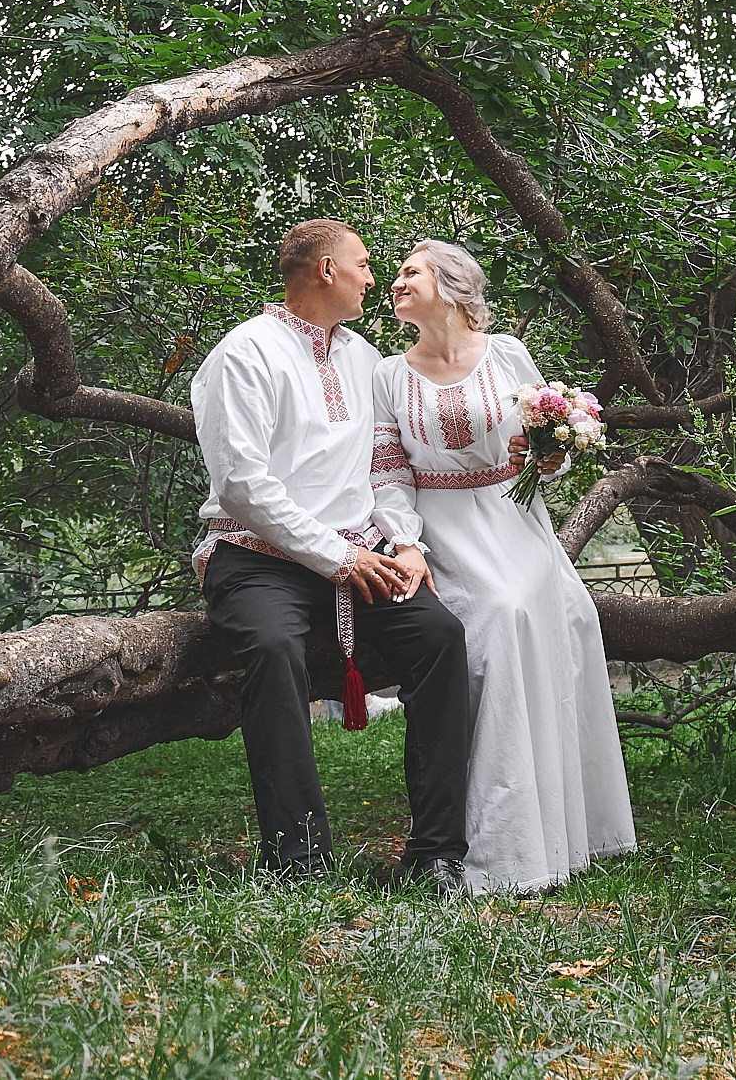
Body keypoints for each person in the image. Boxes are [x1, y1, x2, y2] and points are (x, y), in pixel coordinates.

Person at [189, 218, 476, 887]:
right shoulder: (243, 353)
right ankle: (301, 860)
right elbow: (242, 483)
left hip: (361, 554)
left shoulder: (365, 358)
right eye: (364, 264)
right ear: (326, 270)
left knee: (440, 635)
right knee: (269, 646)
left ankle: (436, 855)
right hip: (257, 556)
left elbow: (384, 466)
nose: (373, 278)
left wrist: (404, 542)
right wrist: (335, 557)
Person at [370, 240, 636, 894]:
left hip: (514, 520)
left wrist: (553, 459)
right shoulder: (386, 375)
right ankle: (493, 843)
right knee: (497, 612)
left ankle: (550, 831)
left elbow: (548, 440)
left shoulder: (509, 353)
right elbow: (388, 472)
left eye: (411, 271)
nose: (396, 281)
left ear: (454, 287)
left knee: (557, 610)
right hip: (441, 530)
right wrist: (405, 541)